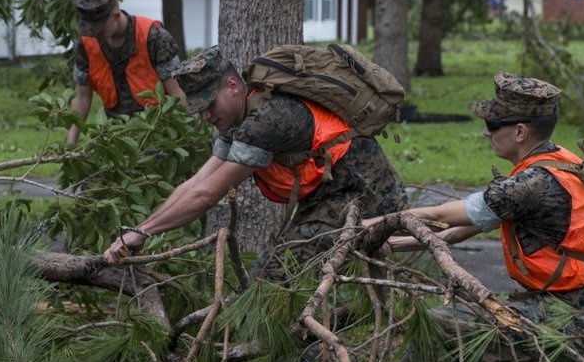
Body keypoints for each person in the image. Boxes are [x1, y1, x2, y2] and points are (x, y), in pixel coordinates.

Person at [382, 72, 584, 362]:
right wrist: (388, 244)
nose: (486, 133)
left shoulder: (530, 185)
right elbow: (453, 230)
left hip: (579, 323)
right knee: (451, 345)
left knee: (439, 326)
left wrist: (362, 228)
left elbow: (440, 214)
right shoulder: (559, 161)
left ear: (519, 132)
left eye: (492, 125)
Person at [102, 45, 408, 279]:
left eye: (209, 105)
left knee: (277, 275)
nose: (206, 116)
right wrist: (140, 230)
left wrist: (142, 234)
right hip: (331, 196)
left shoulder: (266, 121)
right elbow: (197, 182)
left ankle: (306, 356)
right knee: (280, 273)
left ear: (234, 87)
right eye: (199, 111)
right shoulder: (238, 119)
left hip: (365, 194)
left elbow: (208, 194)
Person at [66, 0, 185, 146]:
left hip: (158, 133)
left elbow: (178, 95)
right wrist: (69, 145)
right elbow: (82, 97)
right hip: (115, 135)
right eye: (88, 28)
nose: (93, 34)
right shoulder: (85, 45)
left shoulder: (154, 38)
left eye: (98, 29)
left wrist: (182, 138)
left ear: (115, 16)